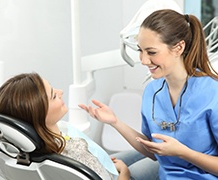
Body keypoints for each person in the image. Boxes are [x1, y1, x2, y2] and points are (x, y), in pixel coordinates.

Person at [79, 9, 218, 179]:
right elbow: (154, 151)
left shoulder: (212, 93)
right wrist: (115, 122)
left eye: (151, 52)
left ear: (179, 48)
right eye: (141, 50)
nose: (144, 60)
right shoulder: (152, 91)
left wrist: (184, 153)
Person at [0, 72, 130, 180]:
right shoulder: (76, 154)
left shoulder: (22, 153)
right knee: (149, 158)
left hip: (99, 164)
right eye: (54, 96)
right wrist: (124, 172)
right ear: (40, 115)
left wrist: (96, 160)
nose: (60, 92)